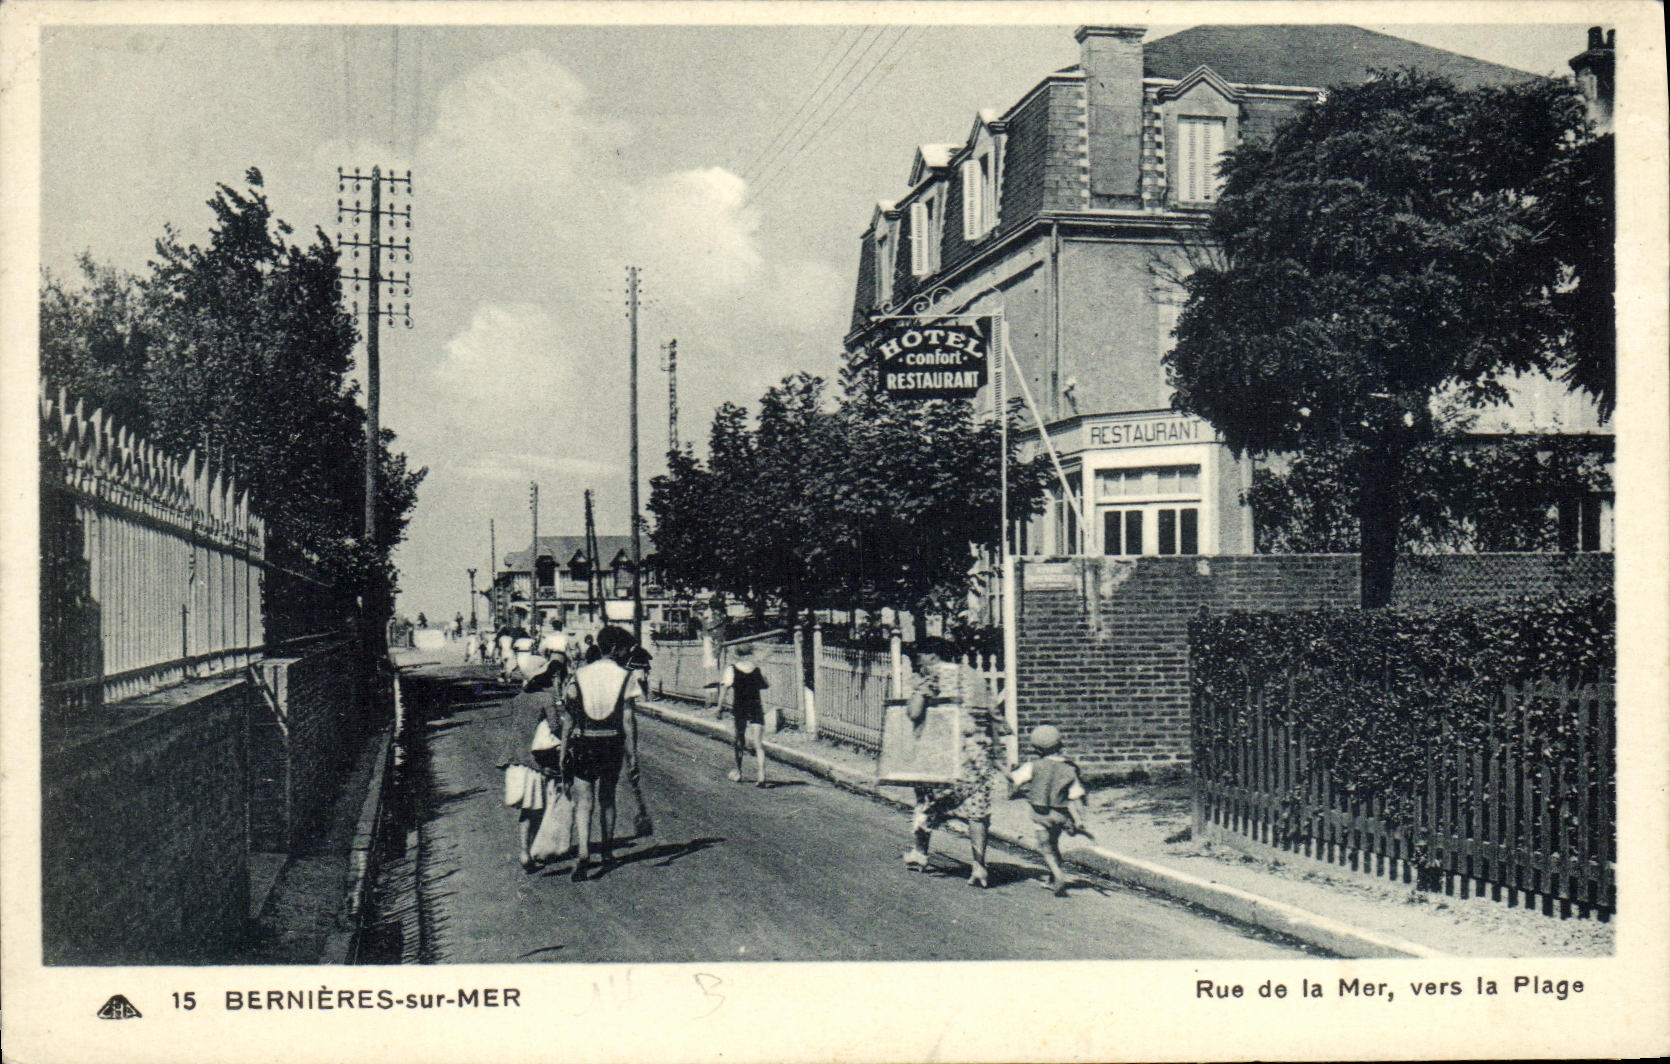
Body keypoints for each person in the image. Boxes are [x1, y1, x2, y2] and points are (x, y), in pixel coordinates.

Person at [901, 636, 1009, 888]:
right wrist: (999, 755)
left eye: (920, 656)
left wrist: (918, 692)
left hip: (944, 754)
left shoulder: (933, 676)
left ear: (933, 655)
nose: (918, 662)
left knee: (927, 803)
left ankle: (919, 853)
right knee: (977, 810)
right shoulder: (974, 676)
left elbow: (914, 713)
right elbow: (994, 715)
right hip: (977, 754)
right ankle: (979, 866)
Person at [559, 626, 642, 881]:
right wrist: (633, 755)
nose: (626, 654)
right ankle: (606, 851)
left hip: (584, 741)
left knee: (584, 801)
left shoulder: (579, 674)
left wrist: (563, 750)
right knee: (607, 797)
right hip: (611, 742)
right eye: (625, 649)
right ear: (615, 649)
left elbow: (569, 718)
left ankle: (584, 851)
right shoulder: (626, 677)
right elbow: (628, 720)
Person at [494, 645, 568, 872]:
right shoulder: (546, 698)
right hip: (537, 761)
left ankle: (525, 851)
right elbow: (555, 727)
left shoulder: (519, 698)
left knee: (527, 809)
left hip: (517, 759)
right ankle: (533, 850)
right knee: (539, 807)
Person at [1008, 724, 1090, 897]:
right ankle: (1052, 878)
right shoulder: (1069, 768)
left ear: (1036, 749)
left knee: (1045, 847)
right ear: (1059, 745)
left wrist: (1006, 775)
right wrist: (1079, 819)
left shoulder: (1033, 766)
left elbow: (1015, 779)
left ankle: (1058, 875)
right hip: (1060, 814)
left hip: (1040, 814)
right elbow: (1075, 795)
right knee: (1054, 844)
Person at [715, 642, 769, 786]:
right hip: (756, 707)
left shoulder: (731, 669)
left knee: (739, 739)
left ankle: (738, 772)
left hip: (740, 708)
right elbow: (765, 685)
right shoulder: (757, 669)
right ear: (751, 653)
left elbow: (724, 689)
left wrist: (719, 707)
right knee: (758, 744)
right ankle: (761, 775)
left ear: (737, 654)